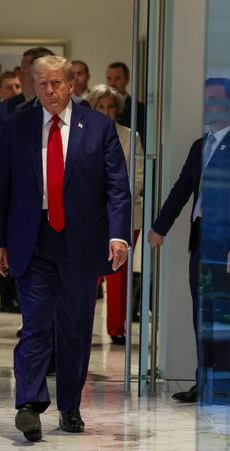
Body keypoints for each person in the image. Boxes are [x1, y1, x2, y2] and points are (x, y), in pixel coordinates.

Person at [0, 55, 131, 441]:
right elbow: (1, 187)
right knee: (35, 324)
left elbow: (118, 187)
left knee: (74, 329)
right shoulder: (17, 125)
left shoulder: (99, 128)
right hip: (31, 239)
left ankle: (70, 406)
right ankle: (30, 404)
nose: (50, 91)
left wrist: (118, 236)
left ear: (72, 85)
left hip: (82, 243)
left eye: (57, 83)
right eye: (42, 84)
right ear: (32, 85)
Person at [148, 77, 230, 405]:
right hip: (201, 242)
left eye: (213, 100)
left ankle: (222, 388)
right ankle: (204, 382)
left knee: (224, 317)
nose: (207, 106)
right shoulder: (200, 146)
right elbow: (182, 190)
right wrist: (159, 228)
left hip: (229, 247)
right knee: (202, 314)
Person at [0, 47, 54, 325]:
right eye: (23, 69)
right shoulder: (9, 109)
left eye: (30, 69)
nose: (24, 75)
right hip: (20, 206)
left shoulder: (78, 112)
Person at [88, 84, 144, 345]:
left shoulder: (130, 135)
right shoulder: (82, 132)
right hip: (89, 215)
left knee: (119, 275)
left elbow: (139, 174)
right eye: (101, 106)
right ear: (93, 107)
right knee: (87, 274)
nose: (107, 111)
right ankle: (82, 325)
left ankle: (116, 327)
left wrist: (118, 198)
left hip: (122, 214)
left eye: (111, 106)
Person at [105, 61, 145, 143]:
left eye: (117, 79)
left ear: (126, 80)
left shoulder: (139, 109)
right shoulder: (96, 107)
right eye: (109, 78)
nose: (112, 83)